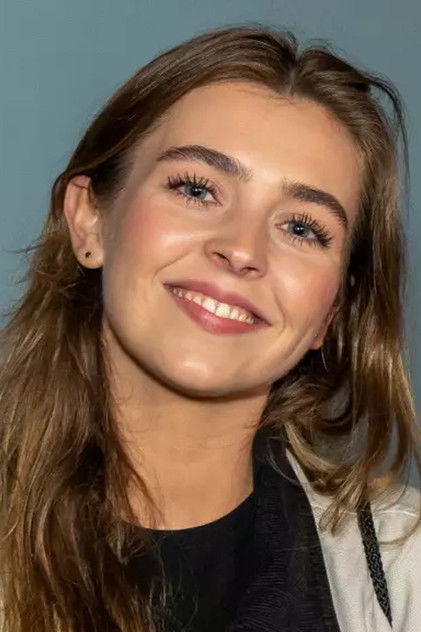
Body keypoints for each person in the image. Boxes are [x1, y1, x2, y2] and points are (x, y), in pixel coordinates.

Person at [0, 23, 420, 632]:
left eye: (302, 228)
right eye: (197, 189)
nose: (241, 249)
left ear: (330, 313)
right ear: (89, 219)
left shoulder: (405, 571)